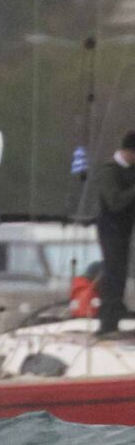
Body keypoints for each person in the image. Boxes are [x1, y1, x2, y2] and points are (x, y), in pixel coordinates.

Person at [94, 131, 135, 334]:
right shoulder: (109, 171)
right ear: (129, 152)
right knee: (113, 272)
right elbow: (115, 202)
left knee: (121, 273)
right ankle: (107, 321)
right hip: (110, 229)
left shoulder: (130, 170)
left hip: (125, 229)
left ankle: (116, 313)